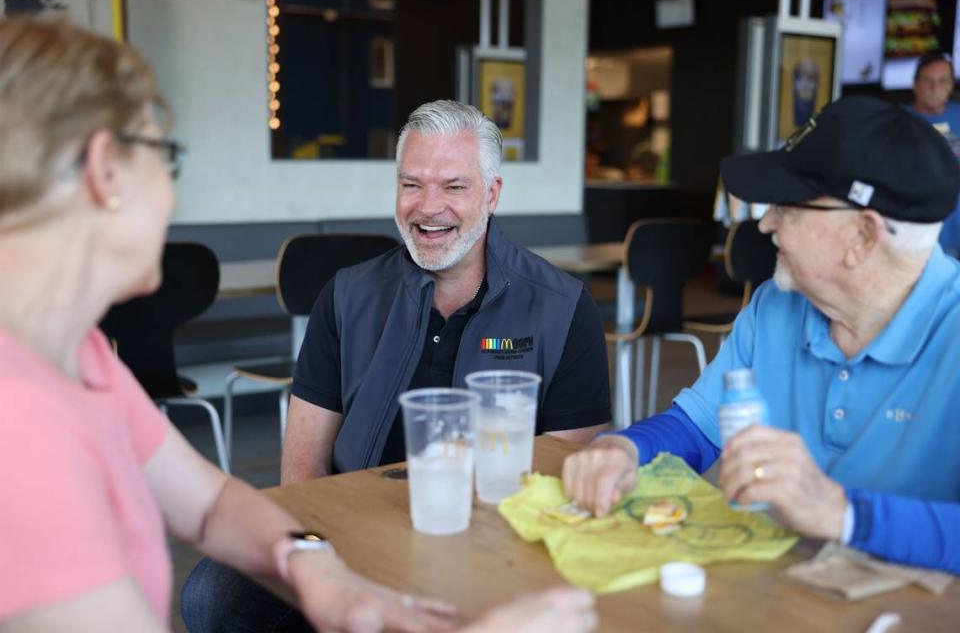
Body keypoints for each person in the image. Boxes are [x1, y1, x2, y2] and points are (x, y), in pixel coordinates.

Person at [0, 17, 598, 633]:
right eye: (167, 157)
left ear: (491, 193)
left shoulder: (80, 357)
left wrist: (314, 566)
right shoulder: (22, 422)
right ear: (105, 174)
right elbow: (299, 478)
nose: (174, 194)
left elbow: (208, 507)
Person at [182, 100, 611, 631]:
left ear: (492, 194)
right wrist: (325, 559)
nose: (428, 207)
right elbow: (301, 474)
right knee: (213, 594)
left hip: (496, 544)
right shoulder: (347, 295)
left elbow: (569, 474)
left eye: (454, 186)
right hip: (350, 536)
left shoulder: (561, 306)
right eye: (412, 184)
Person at [563, 96, 960, 575]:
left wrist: (841, 513)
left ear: (862, 237)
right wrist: (626, 449)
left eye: (786, 208)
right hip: (774, 594)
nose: (765, 223)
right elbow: (698, 427)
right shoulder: (776, 305)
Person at [907, 52, 960, 253]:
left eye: (942, 81)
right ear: (915, 84)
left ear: (951, 85)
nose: (935, 88)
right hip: (919, 236)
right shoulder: (897, 120)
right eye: (928, 80)